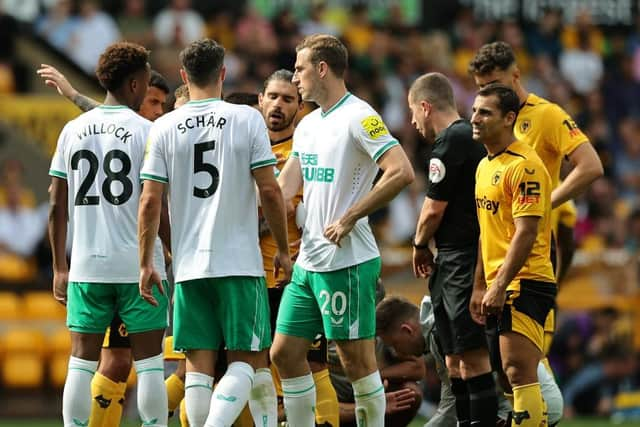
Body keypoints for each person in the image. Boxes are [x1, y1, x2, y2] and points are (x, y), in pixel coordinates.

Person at [138, 38, 292, 427]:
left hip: (189, 267)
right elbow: (271, 191)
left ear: (183, 77)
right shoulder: (246, 119)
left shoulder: (166, 126)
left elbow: (150, 202)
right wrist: (284, 249)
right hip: (239, 262)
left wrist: (146, 263)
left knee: (198, 372)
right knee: (247, 364)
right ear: (223, 73)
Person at [271, 34, 414, 427]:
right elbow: (283, 190)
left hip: (347, 262)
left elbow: (401, 171)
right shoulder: (308, 124)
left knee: (358, 364)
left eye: (300, 69)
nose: (295, 77)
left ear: (321, 69)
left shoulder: (359, 115)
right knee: (283, 353)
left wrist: (352, 215)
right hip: (309, 263)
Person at [39, 62, 172, 427]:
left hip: (86, 265)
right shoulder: (149, 132)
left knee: (81, 362)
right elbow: (154, 202)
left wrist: (60, 267)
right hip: (139, 266)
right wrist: (171, 247)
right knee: (148, 366)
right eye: (146, 82)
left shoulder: (72, 130)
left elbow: (55, 203)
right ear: (134, 83)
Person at [408, 72, 497, 427]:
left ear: (426, 107)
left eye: (413, 112)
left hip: (462, 259)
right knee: (455, 360)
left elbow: (433, 209)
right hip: (453, 260)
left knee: (471, 356)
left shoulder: (452, 141)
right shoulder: (466, 139)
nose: (413, 122)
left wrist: (418, 244)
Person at [257, 69, 340, 426]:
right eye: (273, 96)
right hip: (250, 275)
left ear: (300, 106)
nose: (278, 105)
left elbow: (291, 206)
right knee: (251, 363)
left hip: (294, 276)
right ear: (260, 99)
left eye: (288, 98)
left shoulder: (305, 149)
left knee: (312, 363)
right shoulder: (248, 144)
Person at [470, 83, 556, 427]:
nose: (475, 118)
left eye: (484, 112)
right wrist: (480, 284)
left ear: (509, 118)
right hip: (498, 283)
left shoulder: (526, 166)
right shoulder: (485, 165)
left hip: (526, 281)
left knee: (517, 372)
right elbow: (486, 231)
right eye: (475, 110)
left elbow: (527, 232)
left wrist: (500, 284)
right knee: (507, 378)